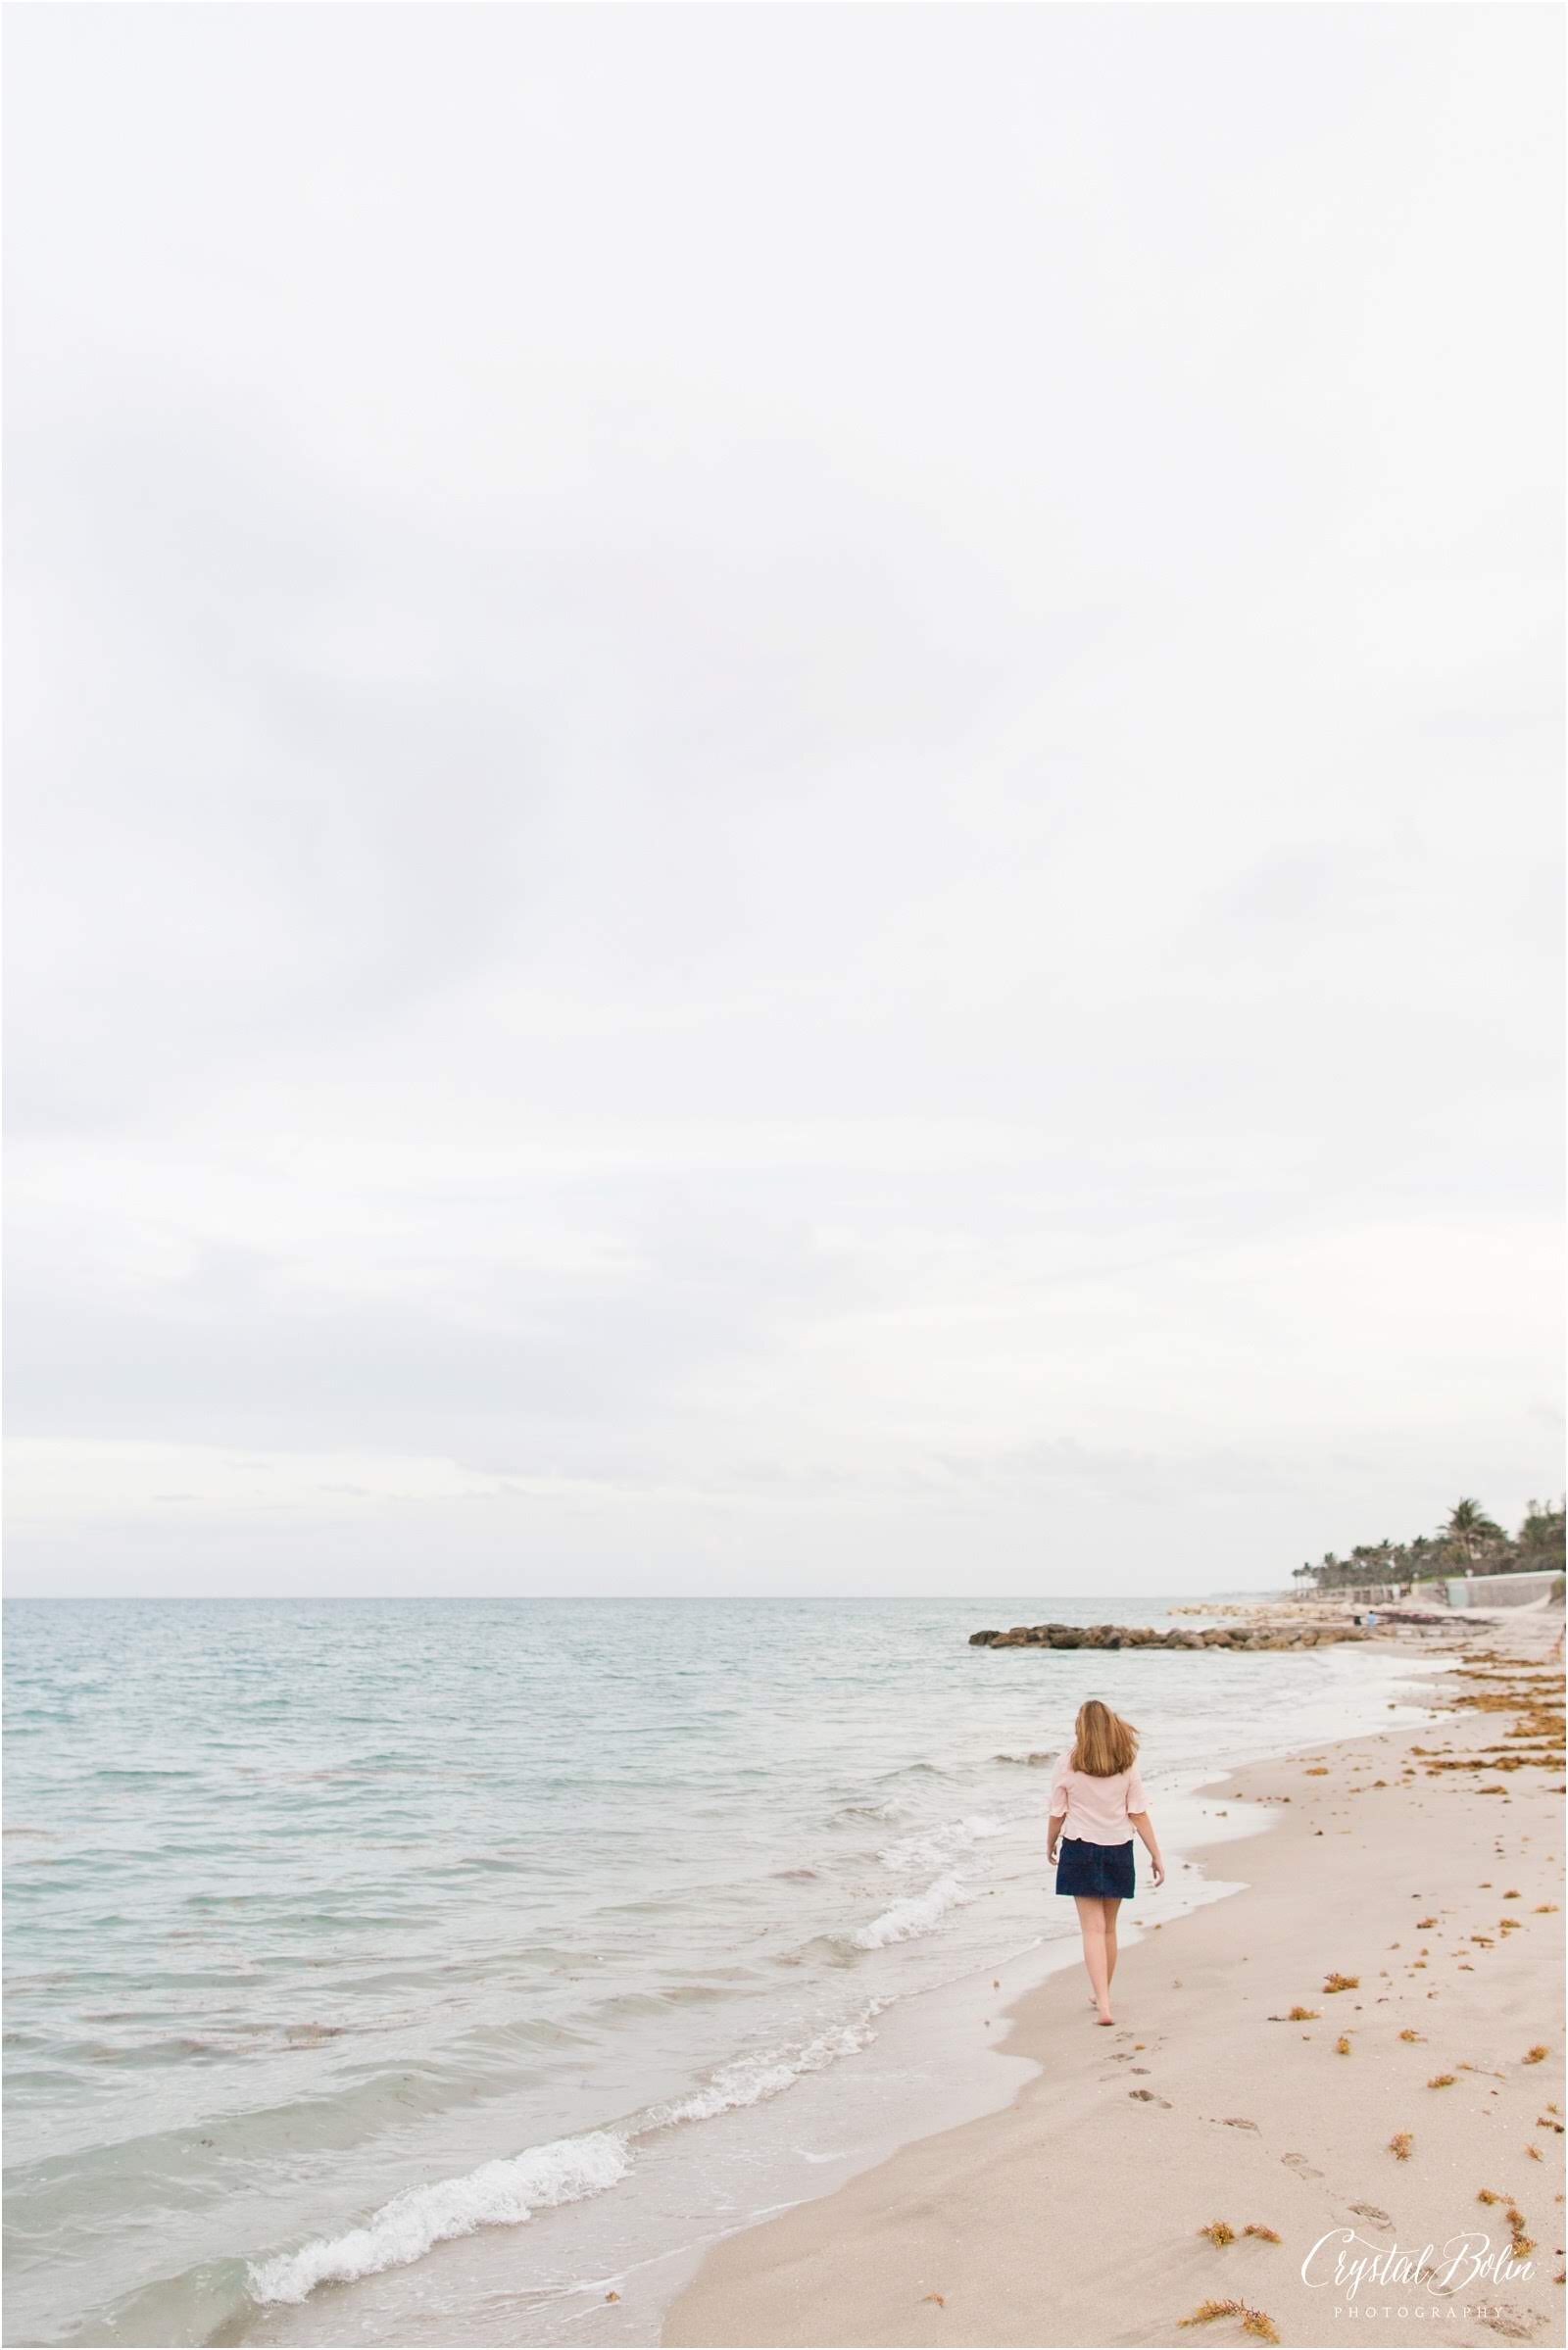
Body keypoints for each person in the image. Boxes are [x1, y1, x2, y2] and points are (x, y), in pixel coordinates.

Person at [1046, 1698, 1165, 2026]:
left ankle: (1104, 2004)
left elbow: (1057, 1812)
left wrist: (1050, 1843)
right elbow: (1137, 1812)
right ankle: (1104, 1998)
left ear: (1080, 1728)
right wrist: (1156, 1854)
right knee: (1108, 1929)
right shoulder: (1125, 1761)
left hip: (1080, 1848)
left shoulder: (1067, 1762)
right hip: (1118, 1849)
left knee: (1092, 1930)